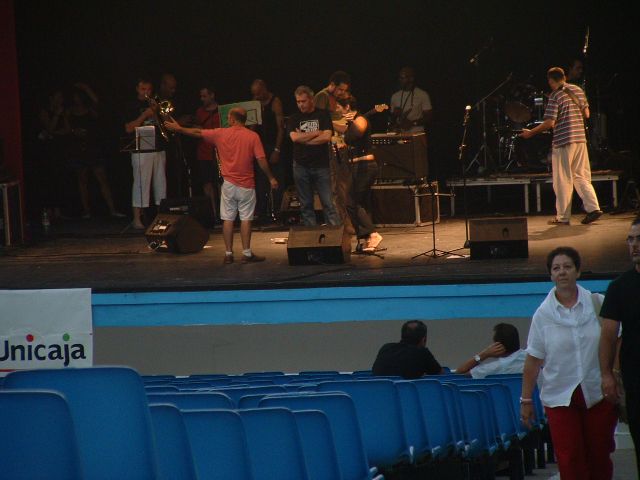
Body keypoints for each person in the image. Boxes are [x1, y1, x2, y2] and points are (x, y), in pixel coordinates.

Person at [521, 247, 617, 480]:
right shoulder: (542, 315)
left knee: (599, 454)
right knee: (569, 458)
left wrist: (613, 373)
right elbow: (533, 360)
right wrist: (526, 400)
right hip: (560, 396)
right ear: (550, 275)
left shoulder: (598, 303)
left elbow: (617, 338)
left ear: (578, 271)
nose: (562, 272)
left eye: (567, 267)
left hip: (598, 391)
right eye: (556, 268)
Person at [165, 108, 278, 264]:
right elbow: (262, 160)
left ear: (232, 119)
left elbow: (198, 132)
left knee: (228, 219)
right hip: (247, 185)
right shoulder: (252, 136)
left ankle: (228, 254)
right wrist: (271, 178)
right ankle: (246, 253)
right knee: (246, 219)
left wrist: (180, 129)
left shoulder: (221, 133)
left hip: (229, 185)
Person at [520, 67, 602, 225]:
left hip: (563, 141)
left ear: (551, 80)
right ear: (564, 77)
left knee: (562, 180)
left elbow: (549, 123)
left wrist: (530, 133)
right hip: (580, 139)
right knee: (581, 176)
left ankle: (563, 217)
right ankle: (593, 208)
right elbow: (586, 114)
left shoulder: (555, 95)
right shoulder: (577, 90)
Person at [599, 217, 640, 473]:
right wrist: (607, 375)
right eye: (630, 239)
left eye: (639, 239)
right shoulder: (619, 287)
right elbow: (608, 335)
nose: (634, 245)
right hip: (636, 381)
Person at [65, 82, 123, 219]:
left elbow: (98, 104)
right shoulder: (69, 111)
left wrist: (86, 88)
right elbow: (67, 128)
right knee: (82, 179)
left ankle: (112, 209)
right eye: (75, 96)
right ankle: (86, 211)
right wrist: (74, 131)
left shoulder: (90, 109)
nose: (77, 98)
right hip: (78, 147)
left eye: (79, 96)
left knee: (102, 178)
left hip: (93, 146)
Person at [334, 95, 382, 252]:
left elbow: (356, 134)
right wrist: (331, 124)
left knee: (351, 202)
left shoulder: (361, 119)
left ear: (347, 106)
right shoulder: (353, 122)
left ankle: (373, 234)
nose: (336, 109)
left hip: (365, 166)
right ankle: (365, 238)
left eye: (338, 106)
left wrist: (351, 122)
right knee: (360, 203)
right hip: (357, 166)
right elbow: (347, 133)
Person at [287, 86, 340, 226]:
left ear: (311, 100)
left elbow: (327, 136)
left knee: (328, 203)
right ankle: (311, 235)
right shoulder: (294, 118)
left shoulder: (322, 115)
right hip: (301, 165)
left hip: (321, 165)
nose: (301, 105)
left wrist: (304, 139)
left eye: (303, 101)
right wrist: (316, 133)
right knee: (306, 205)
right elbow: (294, 138)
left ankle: (335, 234)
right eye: (298, 102)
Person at [123, 78, 166, 229]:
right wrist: (145, 115)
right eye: (143, 89)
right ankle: (137, 219)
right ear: (137, 89)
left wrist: (157, 114)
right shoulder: (131, 105)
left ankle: (162, 217)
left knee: (161, 184)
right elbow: (129, 128)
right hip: (141, 150)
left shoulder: (155, 103)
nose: (146, 93)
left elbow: (165, 125)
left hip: (158, 148)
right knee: (141, 184)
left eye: (149, 90)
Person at [250, 79, 285, 224]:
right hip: (260, 145)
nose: (257, 96)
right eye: (254, 94)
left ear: (264, 89)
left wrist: (277, 149)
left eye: (259, 93)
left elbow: (281, 128)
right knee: (261, 181)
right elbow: (252, 128)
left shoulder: (275, 102)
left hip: (273, 144)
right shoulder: (255, 102)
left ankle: (278, 211)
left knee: (277, 179)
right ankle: (262, 213)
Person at [372, 320, 443, 379]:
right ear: (423, 339)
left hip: (381, 392)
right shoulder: (422, 353)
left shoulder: (385, 348)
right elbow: (440, 377)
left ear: (402, 335)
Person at [454, 323, 527, 378]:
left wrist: (484, 354)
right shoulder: (530, 357)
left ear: (497, 345)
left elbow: (459, 374)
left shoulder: (495, 367)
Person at [193, 85, 221, 223]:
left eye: (204, 96)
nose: (202, 99)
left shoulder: (222, 110)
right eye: (201, 96)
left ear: (212, 95)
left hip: (219, 152)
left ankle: (223, 213)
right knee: (207, 183)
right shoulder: (199, 112)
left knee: (221, 183)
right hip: (204, 153)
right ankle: (213, 213)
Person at [390, 67, 433, 133]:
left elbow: (429, 117)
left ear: (411, 79)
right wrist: (394, 114)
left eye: (402, 77)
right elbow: (391, 119)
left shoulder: (422, 94)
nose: (400, 80)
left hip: (417, 133)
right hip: (400, 134)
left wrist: (412, 123)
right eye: (399, 77)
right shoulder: (395, 96)